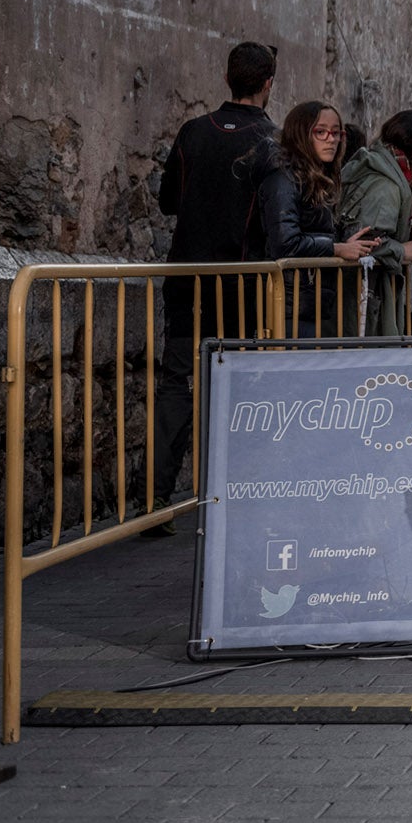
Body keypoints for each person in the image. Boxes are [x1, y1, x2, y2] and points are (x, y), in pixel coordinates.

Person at [151, 41, 277, 527]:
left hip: (187, 280)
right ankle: (233, 498)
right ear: (268, 83)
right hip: (243, 287)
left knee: (176, 384)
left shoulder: (192, 132)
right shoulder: (271, 142)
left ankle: (157, 504)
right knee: (240, 388)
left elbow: (168, 201)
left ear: (229, 78)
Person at [257, 101, 376, 336]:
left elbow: (313, 229)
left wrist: (348, 242)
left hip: (311, 303)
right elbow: (285, 243)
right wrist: (336, 248)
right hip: (289, 304)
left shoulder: (317, 177)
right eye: (321, 132)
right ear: (301, 134)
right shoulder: (283, 177)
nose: (331, 139)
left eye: (335, 133)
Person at [339, 110, 412, 337]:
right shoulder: (386, 184)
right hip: (364, 299)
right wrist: (402, 250)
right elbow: (366, 240)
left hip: (368, 294)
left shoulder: (383, 170)